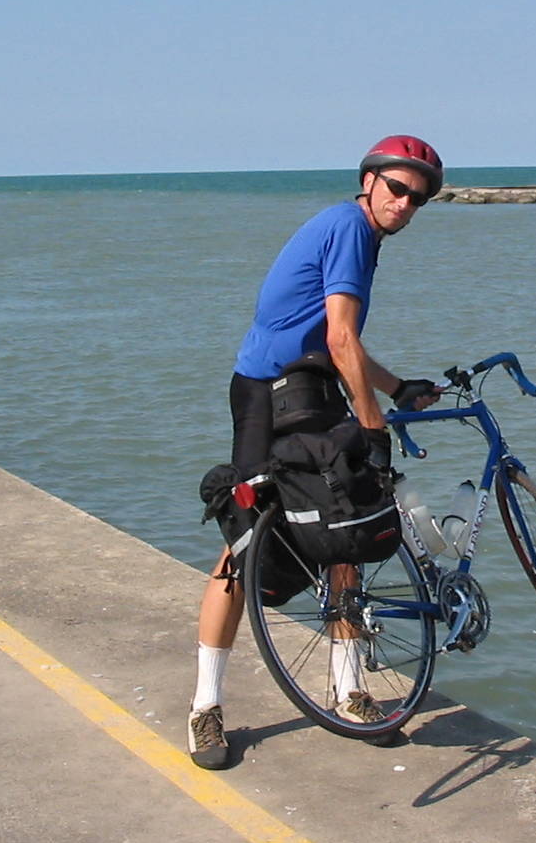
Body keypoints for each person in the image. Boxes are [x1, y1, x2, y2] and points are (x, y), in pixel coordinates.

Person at [188, 135, 446, 770]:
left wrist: (394, 389)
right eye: (396, 188)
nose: (405, 203)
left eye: (418, 197)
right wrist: (374, 429)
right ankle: (205, 709)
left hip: (309, 386)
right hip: (263, 396)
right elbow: (339, 336)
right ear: (369, 183)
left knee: (348, 528)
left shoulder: (354, 232)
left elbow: (337, 343)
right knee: (245, 543)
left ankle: (349, 688)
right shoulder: (351, 230)